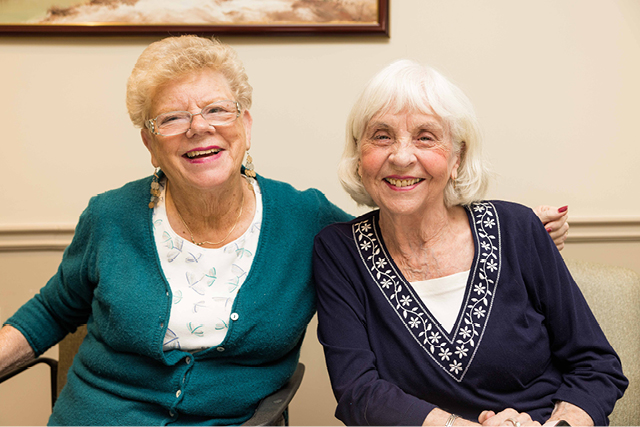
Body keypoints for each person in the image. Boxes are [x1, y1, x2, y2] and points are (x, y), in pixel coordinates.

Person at [0, 37, 568, 425]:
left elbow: (402, 239)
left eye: (218, 111)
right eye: (171, 118)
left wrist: (503, 232)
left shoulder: (306, 221)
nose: (199, 128)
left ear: (245, 125)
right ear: (150, 141)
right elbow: (50, 312)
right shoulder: (109, 216)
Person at [312, 60, 626, 427]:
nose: (400, 156)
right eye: (381, 136)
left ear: (457, 158)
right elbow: (358, 393)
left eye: (425, 136)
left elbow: (596, 365)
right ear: (359, 156)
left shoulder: (517, 229)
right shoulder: (339, 251)